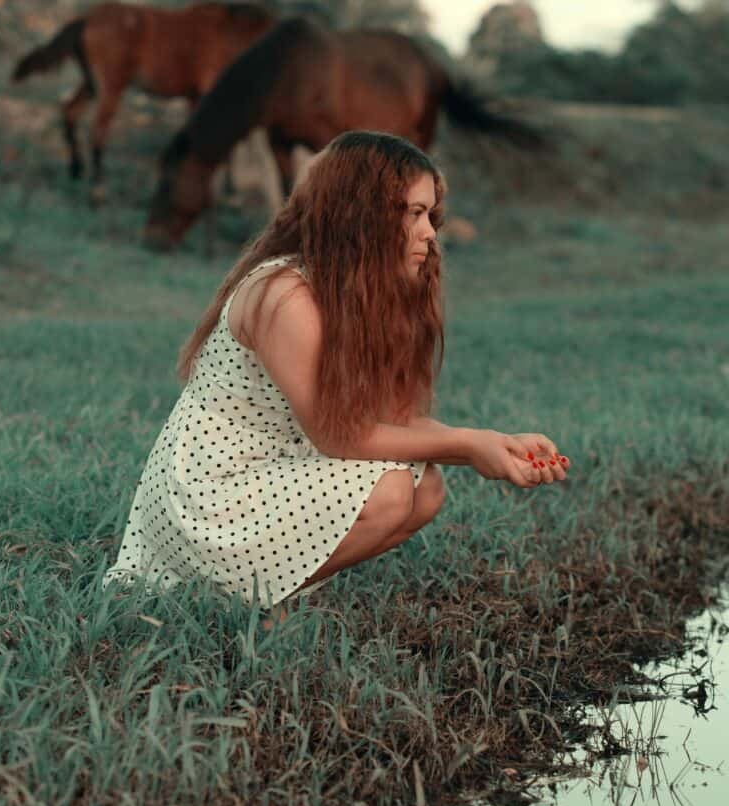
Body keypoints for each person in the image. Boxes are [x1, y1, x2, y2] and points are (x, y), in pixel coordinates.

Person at [103, 130, 569, 624]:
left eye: (430, 215)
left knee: (426, 487)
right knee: (391, 490)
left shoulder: (356, 293)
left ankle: (262, 595)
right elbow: (337, 435)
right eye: (413, 213)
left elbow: (394, 419)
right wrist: (471, 447)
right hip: (208, 493)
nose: (431, 233)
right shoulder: (284, 293)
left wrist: (495, 443)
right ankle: (246, 605)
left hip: (275, 470)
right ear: (360, 213)